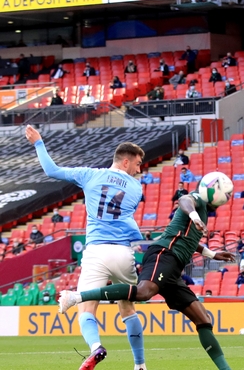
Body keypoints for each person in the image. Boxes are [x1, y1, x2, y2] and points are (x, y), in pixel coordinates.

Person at [58, 176, 236, 370]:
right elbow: (185, 200)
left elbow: (190, 240)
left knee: (203, 319)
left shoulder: (202, 211)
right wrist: (193, 216)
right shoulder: (196, 200)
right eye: (226, 193)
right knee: (143, 292)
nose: (227, 197)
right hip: (164, 254)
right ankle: (76, 297)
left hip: (174, 267)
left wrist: (213, 254)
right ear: (213, 191)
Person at [26, 125, 148, 370]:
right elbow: (128, 220)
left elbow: (52, 170)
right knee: (127, 307)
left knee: (86, 308)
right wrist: (141, 243)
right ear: (125, 162)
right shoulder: (136, 188)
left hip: (95, 252)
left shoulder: (90, 175)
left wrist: (39, 142)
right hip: (122, 252)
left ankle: (95, 348)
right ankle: (140, 365)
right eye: (137, 163)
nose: (139, 168)